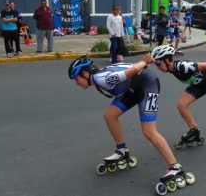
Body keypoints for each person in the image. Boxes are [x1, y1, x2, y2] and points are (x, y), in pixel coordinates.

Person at [68, 55, 195, 187]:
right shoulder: (98, 76)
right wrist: (143, 64)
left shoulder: (101, 78)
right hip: (132, 88)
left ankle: (175, 167)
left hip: (147, 85)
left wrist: (144, 62)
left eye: (76, 79)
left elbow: (130, 71)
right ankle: (121, 151)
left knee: (149, 131)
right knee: (110, 115)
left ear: (84, 73)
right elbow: (128, 69)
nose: (76, 83)